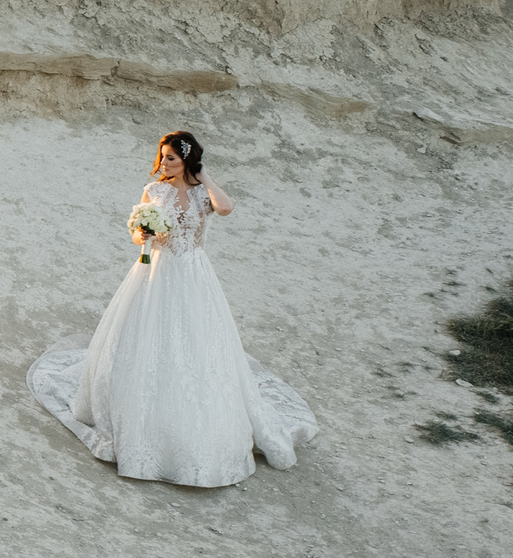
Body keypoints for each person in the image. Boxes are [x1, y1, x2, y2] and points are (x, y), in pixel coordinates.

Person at [27, 130, 318, 487]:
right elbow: (137, 232)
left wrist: (204, 175)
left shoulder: (203, 194)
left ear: (188, 161)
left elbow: (225, 208)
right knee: (145, 338)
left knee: (197, 344)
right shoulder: (154, 190)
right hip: (156, 272)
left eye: (172, 159)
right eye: (163, 157)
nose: (164, 163)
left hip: (194, 275)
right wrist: (143, 234)